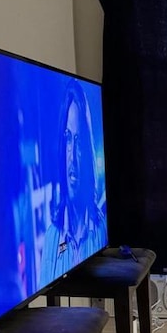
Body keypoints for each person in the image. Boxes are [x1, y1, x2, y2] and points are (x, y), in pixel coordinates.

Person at [40, 79, 107, 283]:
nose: (73, 157)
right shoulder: (52, 238)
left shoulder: (100, 230)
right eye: (68, 138)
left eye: (79, 141)